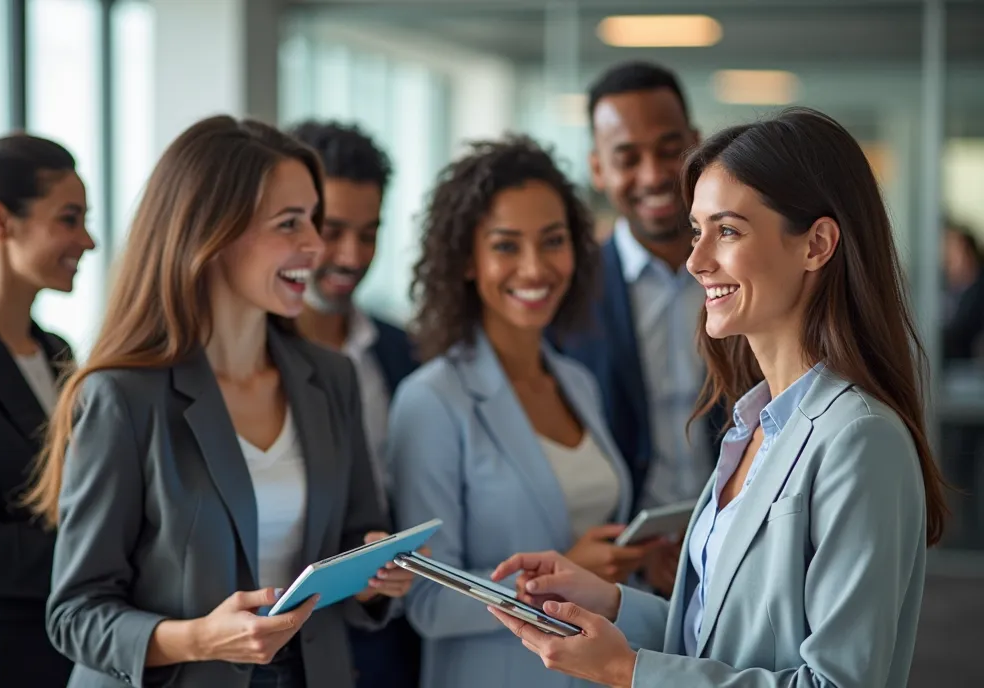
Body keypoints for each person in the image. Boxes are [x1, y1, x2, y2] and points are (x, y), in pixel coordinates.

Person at [488, 108, 948, 688]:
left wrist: (626, 672)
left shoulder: (860, 438)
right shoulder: (751, 426)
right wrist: (611, 604)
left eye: (727, 231)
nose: (695, 260)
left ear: (817, 244)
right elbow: (719, 634)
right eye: (697, 230)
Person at [24, 116, 418, 688]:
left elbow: (356, 534)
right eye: (291, 224)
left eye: (313, 220)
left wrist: (372, 568)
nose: (316, 244)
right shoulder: (123, 396)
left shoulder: (331, 378)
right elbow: (76, 616)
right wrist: (201, 637)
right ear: (213, 232)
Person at [388, 135, 648, 688]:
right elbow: (426, 599)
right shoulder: (431, 400)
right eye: (506, 246)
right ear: (466, 260)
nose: (535, 268)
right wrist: (558, 577)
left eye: (552, 241)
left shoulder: (576, 382)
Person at [556, 61, 721, 596]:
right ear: (598, 170)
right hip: (620, 575)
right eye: (626, 158)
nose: (652, 175)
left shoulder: (746, 273)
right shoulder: (568, 296)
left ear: (697, 146)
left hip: (741, 552)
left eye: (669, 149)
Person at [286, 120, 420, 688]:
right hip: (279, 644)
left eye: (368, 233)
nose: (350, 256)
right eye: (332, 230)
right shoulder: (245, 365)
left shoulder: (400, 352)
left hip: (385, 642)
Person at [0, 136, 94, 688]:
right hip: (4, 654)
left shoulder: (58, 353)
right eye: (69, 219)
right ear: (0, 222)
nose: (88, 240)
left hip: (78, 638)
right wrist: (103, 548)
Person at [941, 221, 984, 362]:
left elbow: (959, 335)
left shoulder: (978, 294)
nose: (946, 257)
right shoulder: (948, 290)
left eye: (952, 249)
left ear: (968, 253)